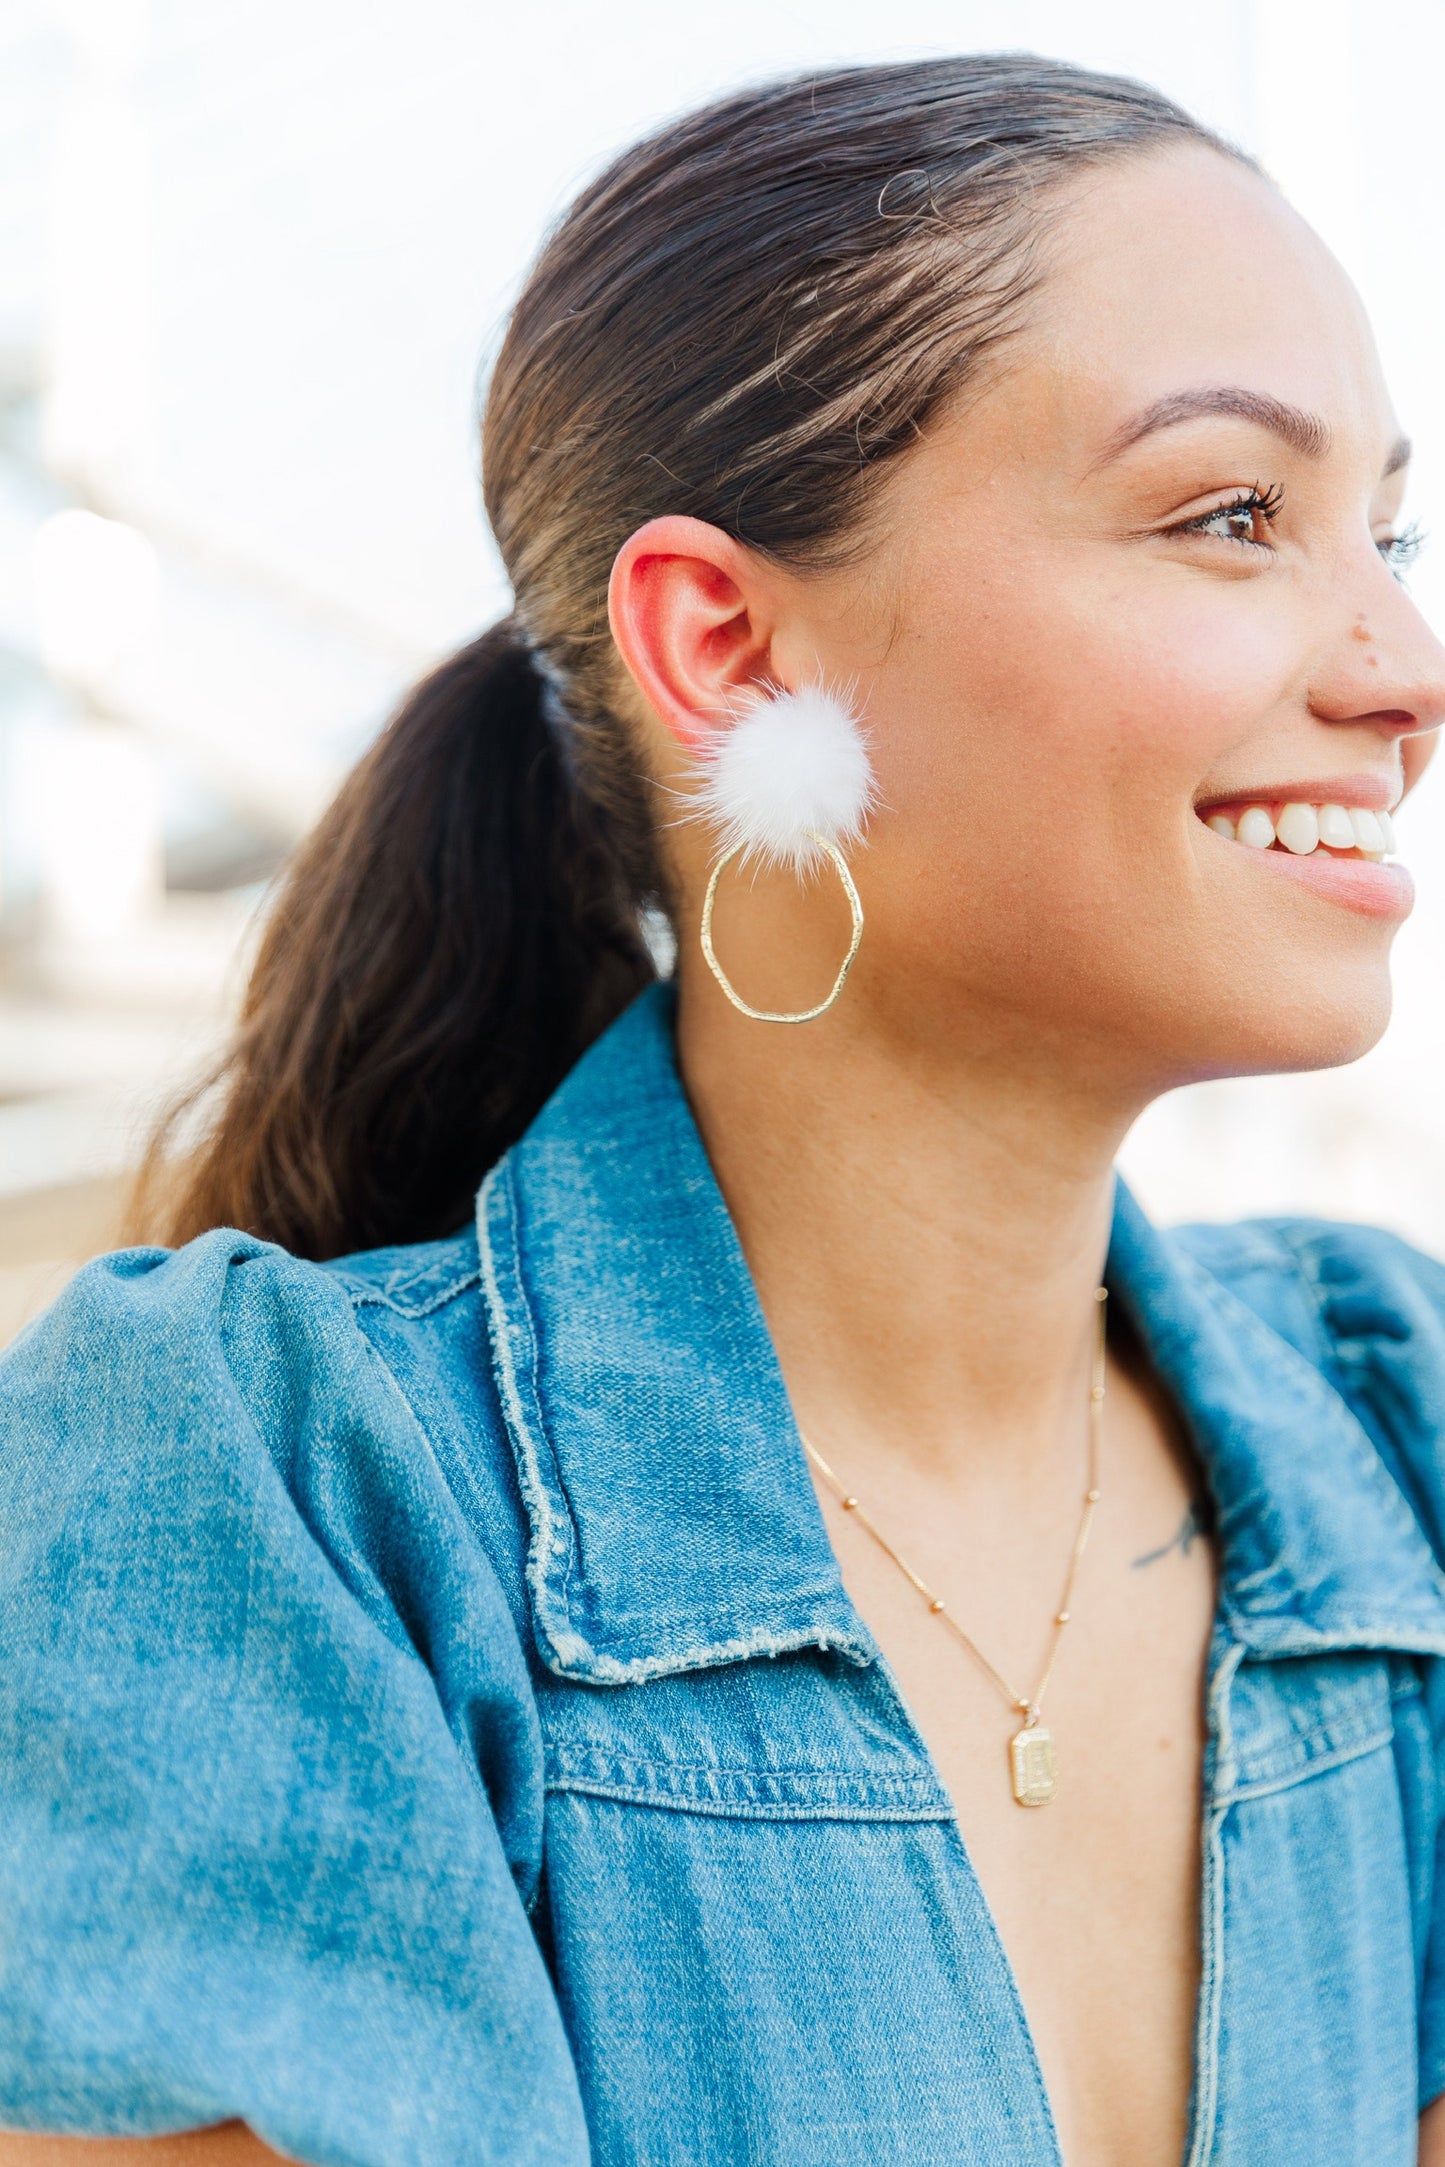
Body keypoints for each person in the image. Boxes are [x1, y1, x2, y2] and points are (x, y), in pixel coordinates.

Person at [2, 48, 1444, 2167]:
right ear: (728, 647)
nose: (1402, 659)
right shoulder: (286, 1496)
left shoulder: (1395, 1431)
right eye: (1233, 514)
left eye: (1385, 529)